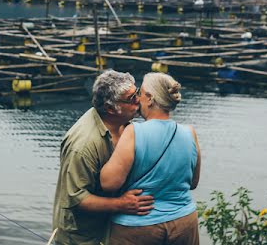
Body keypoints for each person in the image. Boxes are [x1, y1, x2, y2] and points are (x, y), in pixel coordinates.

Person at [52, 70, 156, 245]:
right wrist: (121, 204)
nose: (138, 100)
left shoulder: (122, 123)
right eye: (131, 99)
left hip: (107, 227)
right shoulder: (83, 146)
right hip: (80, 236)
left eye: (137, 93)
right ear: (110, 108)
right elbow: (76, 198)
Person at [99, 72, 201, 245]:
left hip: (139, 226)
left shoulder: (133, 132)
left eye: (140, 93)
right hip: (184, 222)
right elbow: (193, 182)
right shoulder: (189, 132)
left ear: (150, 98)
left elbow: (109, 183)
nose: (137, 98)